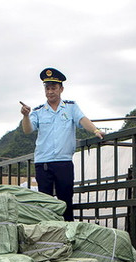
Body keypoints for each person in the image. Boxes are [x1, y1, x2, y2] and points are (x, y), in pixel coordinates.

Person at [20, 67, 103, 221]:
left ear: (61, 89)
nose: (50, 91)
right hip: (43, 163)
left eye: (54, 88)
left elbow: (82, 119)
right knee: (45, 203)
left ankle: (68, 235)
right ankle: (48, 234)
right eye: (47, 88)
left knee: (66, 201)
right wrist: (25, 115)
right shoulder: (38, 111)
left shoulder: (71, 107)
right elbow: (27, 129)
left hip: (63, 162)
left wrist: (95, 130)